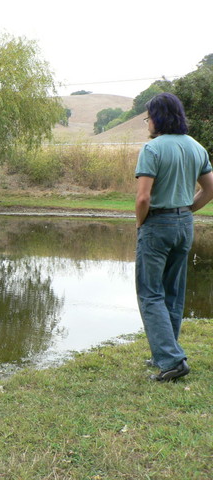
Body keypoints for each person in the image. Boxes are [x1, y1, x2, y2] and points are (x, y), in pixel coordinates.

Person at [135, 92, 213, 382]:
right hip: (184, 224)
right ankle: (164, 353)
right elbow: (210, 189)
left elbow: (143, 198)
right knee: (173, 292)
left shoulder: (152, 149)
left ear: (159, 117)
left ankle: (171, 359)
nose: (147, 123)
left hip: (157, 225)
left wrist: (141, 223)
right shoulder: (196, 147)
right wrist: (187, 209)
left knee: (150, 293)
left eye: (148, 117)